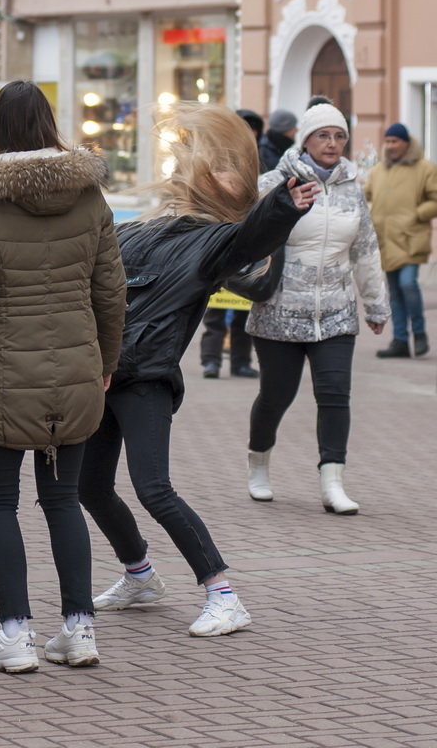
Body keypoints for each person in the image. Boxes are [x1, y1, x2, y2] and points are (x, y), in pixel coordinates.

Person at [78, 103, 320, 637]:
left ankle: (223, 594)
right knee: (90, 488)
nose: (214, 173)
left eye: (230, 168)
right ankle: (140, 575)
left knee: (154, 488)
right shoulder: (137, 229)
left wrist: (283, 205)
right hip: (103, 375)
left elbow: (251, 240)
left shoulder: (215, 242)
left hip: (147, 380)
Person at [0, 81, 127, 673]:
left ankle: (15, 635)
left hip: (0, 367)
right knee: (64, 499)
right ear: (50, 124)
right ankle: (78, 629)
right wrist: (106, 362)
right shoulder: (89, 196)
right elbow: (111, 293)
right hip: (74, 368)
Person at [246, 103, 389, 515]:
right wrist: (285, 205)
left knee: (334, 395)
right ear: (305, 139)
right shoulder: (274, 182)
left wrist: (376, 304)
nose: (332, 143)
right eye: (324, 135)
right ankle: (258, 463)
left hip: (337, 311)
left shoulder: (351, 186)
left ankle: (332, 482)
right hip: (280, 310)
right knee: (276, 396)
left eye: (339, 136)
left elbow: (365, 250)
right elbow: (247, 235)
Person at [198, 108, 265, 379]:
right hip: (218, 240)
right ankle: (211, 360)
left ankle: (240, 362)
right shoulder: (214, 160)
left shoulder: (260, 160)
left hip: (247, 241)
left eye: (253, 129)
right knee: (215, 308)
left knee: (243, 307)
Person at [365, 122, 437, 358]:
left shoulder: (424, 168)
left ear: (406, 143)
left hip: (410, 238)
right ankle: (400, 341)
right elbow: (364, 197)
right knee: (394, 292)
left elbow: (434, 199)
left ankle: (419, 334)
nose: (391, 146)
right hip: (385, 240)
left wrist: (418, 214)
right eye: (387, 141)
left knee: (408, 284)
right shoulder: (378, 171)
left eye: (395, 141)